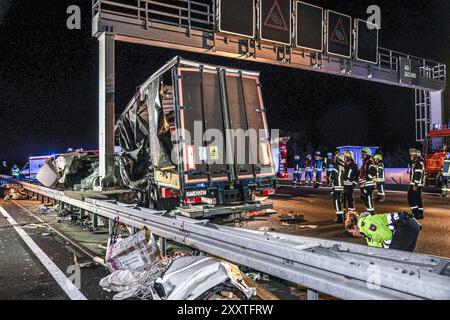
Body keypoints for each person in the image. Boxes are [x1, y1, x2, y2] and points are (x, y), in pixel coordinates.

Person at [359, 148, 377, 215]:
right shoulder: (366, 162)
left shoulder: (370, 162)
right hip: (366, 184)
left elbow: (374, 172)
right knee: (365, 197)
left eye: (363, 154)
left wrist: (366, 177)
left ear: (367, 154)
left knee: (368, 197)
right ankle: (368, 211)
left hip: (369, 184)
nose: (362, 156)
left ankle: (371, 213)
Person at [408, 149, 425, 220]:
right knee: (418, 198)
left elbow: (418, 175)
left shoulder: (418, 163)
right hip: (418, 185)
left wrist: (415, 184)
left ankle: (416, 214)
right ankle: (420, 214)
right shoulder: (418, 163)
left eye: (412, 155)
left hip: (415, 184)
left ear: (416, 156)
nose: (410, 156)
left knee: (411, 198)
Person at [330, 153, 346, 223]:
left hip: (337, 187)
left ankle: (339, 218)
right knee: (342, 202)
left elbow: (331, 178)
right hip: (343, 188)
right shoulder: (345, 167)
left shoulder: (336, 167)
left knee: (336, 202)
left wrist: (330, 178)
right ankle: (343, 216)